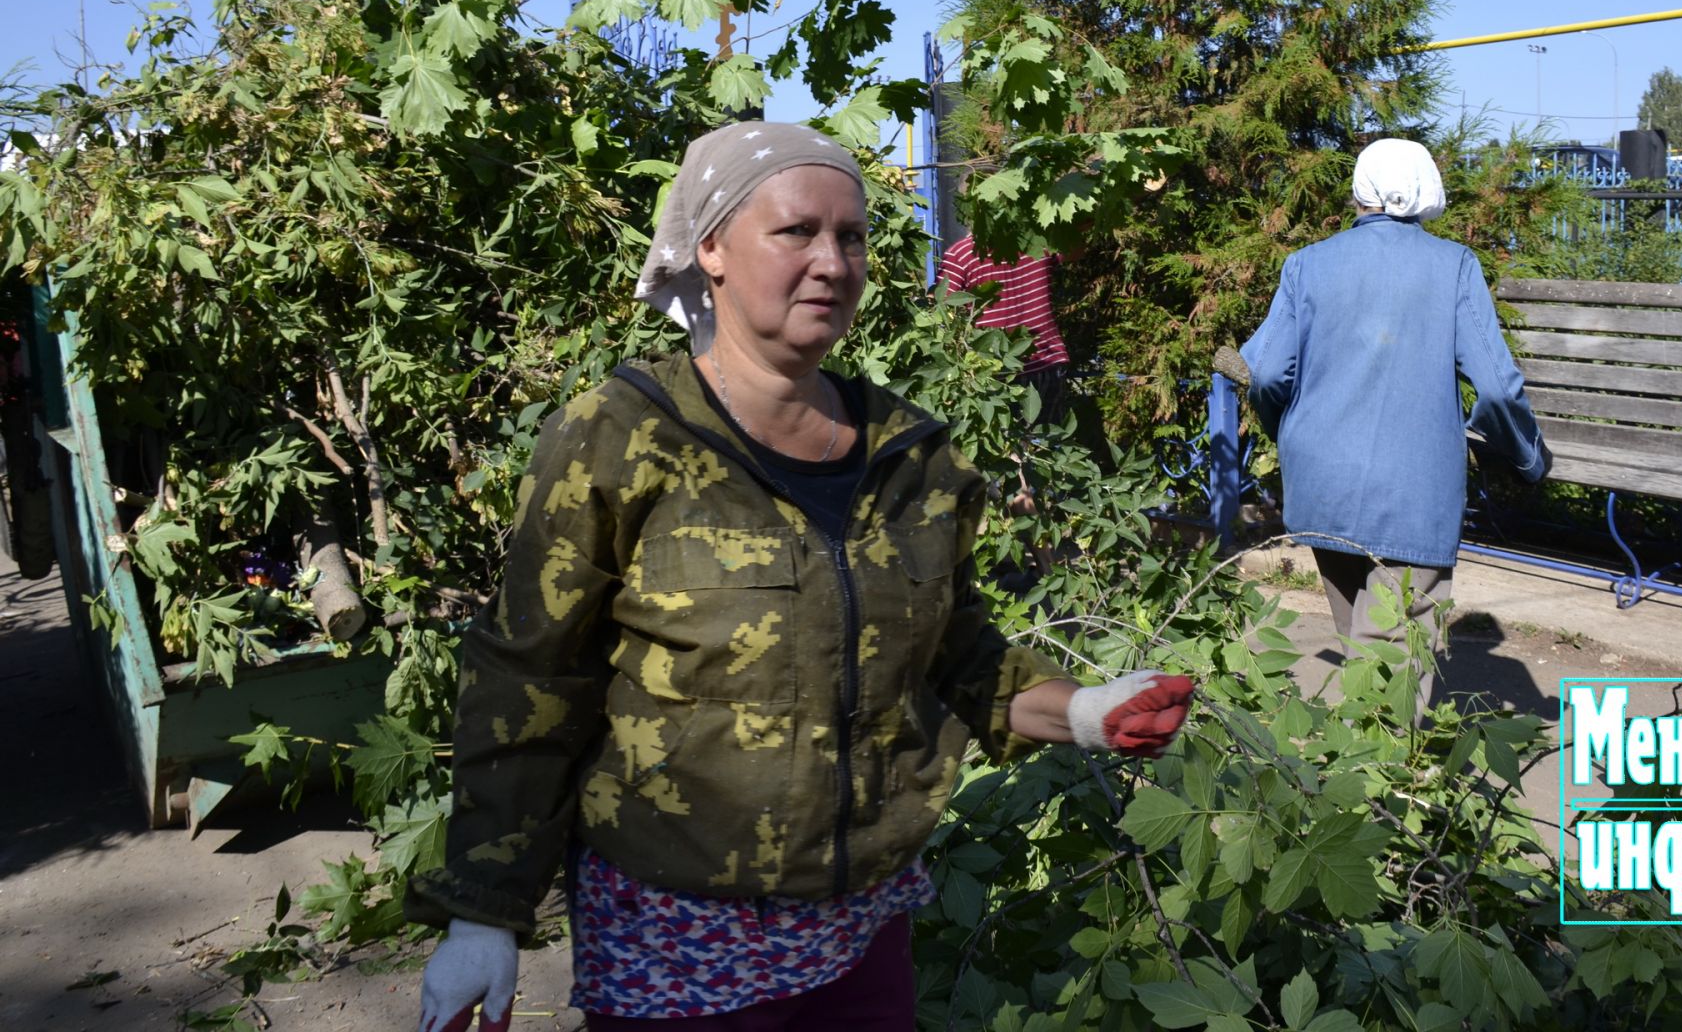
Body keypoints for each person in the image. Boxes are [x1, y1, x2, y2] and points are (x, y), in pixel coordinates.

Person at [408, 121, 1196, 1032]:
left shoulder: (913, 457)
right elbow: (530, 675)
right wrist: (482, 910)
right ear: (711, 248)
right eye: (796, 232)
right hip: (677, 937)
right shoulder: (623, 436)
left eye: (851, 237)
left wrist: (1090, 713)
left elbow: (960, 660)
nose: (832, 261)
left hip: (863, 931)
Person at [1237, 138, 1549, 711]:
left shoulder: (1306, 264)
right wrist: (1529, 458)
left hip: (1321, 482)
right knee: (1392, 663)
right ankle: (1382, 789)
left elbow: (1264, 376)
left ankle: (1345, 782)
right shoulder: (1453, 266)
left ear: (1359, 191)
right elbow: (1499, 389)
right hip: (1414, 492)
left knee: (1360, 642)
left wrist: (1292, 430)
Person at [937, 234, 1071, 426]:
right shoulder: (1037, 240)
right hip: (1045, 359)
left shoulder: (960, 255)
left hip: (994, 372)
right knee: (1045, 443)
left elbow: (941, 311)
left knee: (1004, 449)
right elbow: (1075, 250)